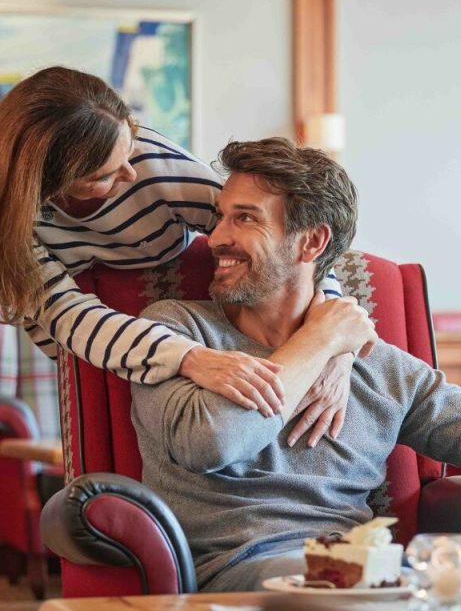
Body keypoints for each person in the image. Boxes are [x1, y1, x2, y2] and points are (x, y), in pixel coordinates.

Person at [129, 137, 461, 591]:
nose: (216, 237)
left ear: (312, 242)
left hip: (364, 577)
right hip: (240, 574)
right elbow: (214, 441)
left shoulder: (378, 369)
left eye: (244, 218)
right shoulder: (173, 334)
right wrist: (320, 341)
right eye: (222, 216)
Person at [0, 66, 356, 442]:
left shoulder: (154, 164)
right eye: (106, 175)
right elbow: (69, 317)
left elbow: (296, 250)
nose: (130, 173)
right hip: (91, 343)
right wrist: (191, 358)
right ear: (52, 187)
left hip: (195, 310)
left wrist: (333, 347)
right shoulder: (14, 218)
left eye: (130, 143)